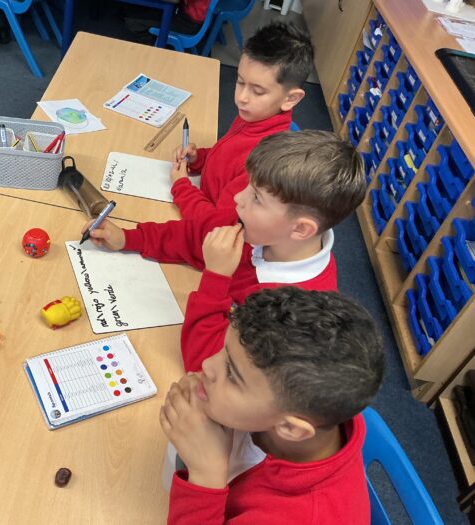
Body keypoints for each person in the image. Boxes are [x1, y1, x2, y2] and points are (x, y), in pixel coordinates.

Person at [81, 130, 366, 372]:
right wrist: (129, 238)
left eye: (257, 198)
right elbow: (197, 235)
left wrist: (216, 277)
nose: (238, 198)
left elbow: (205, 365)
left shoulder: (290, 314)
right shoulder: (264, 230)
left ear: (301, 229)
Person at [160, 287, 385, 524]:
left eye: (232, 374)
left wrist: (206, 475)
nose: (207, 364)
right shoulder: (307, 403)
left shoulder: (300, 516)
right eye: (224, 351)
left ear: (290, 428)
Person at [172, 22, 313, 221]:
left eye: (258, 91)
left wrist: (181, 187)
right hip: (203, 199)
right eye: (240, 81)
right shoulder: (256, 115)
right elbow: (228, 161)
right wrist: (199, 159)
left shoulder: (261, 166)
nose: (242, 97)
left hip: (208, 226)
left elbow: (217, 225)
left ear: (290, 99)